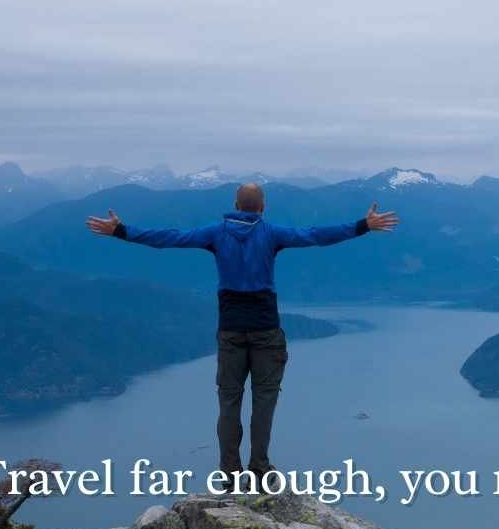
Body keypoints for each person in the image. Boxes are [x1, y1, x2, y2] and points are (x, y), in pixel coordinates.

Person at [85, 183, 398, 476]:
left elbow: (169, 238)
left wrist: (122, 231)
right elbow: (315, 235)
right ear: (263, 208)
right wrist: (362, 226)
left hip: (231, 329)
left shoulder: (215, 233)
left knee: (229, 401)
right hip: (266, 328)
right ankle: (260, 468)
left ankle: (230, 473)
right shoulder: (272, 233)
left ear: (236, 205)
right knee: (264, 399)